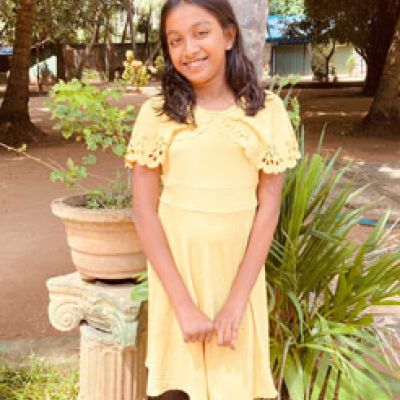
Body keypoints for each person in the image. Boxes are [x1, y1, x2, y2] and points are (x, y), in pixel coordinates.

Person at [124, 0, 301, 399]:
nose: (189, 49)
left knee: (233, 384)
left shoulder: (266, 112)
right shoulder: (157, 114)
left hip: (237, 279)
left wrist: (237, 301)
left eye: (201, 33)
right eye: (175, 40)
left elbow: (269, 208)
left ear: (228, 35)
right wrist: (183, 304)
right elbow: (144, 211)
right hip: (178, 280)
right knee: (178, 386)